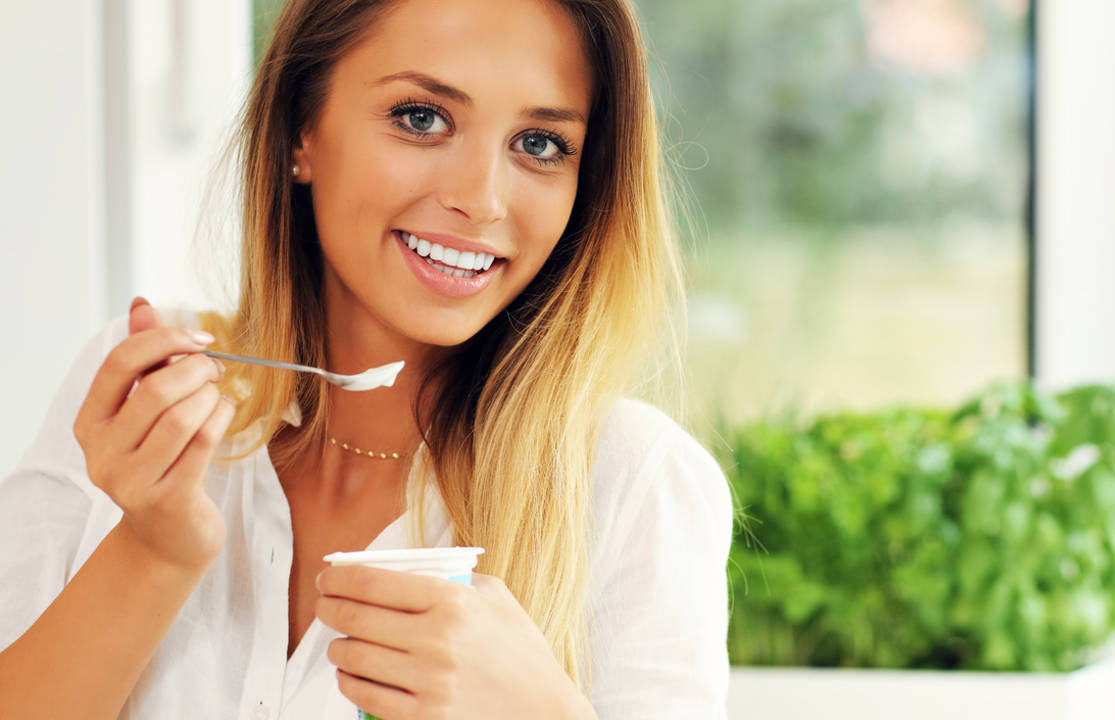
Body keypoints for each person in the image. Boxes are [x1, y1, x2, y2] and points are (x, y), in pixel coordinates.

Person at [0, 0, 732, 718]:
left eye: (539, 143)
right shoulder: (144, 399)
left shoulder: (635, 485)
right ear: (300, 130)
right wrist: (154, 548)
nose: (481, 200)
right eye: (422, 117)